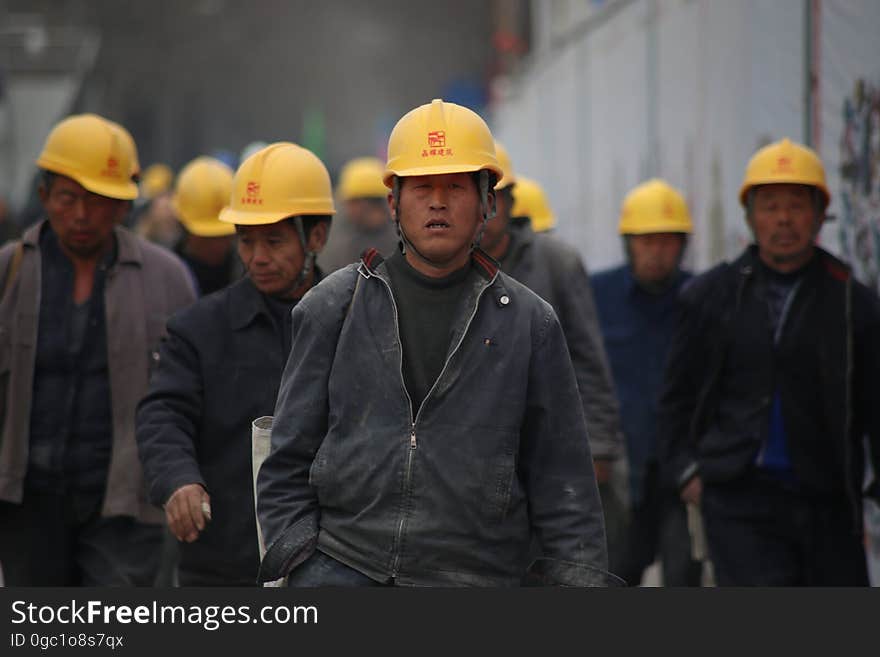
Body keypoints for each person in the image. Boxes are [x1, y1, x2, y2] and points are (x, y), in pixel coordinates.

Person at [256, 99, 618, 587]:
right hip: (345, 566)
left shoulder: (529, 324)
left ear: (488, 201)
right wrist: (301, 560)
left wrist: (577, 581)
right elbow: (287, 456)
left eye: (456, 187)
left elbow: (564, 483)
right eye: (422, 187)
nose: (438, 202)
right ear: (393, 203)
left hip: (477, 578)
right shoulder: (335, 306)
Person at [658, 138, 880, 586]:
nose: (783, 219)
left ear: (819, 216)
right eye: (770, 206)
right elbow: (676, 398)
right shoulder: (711, 297)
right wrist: (686, 471)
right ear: (750, 218)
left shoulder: (852, 304)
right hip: (738, 500)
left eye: (797, 206)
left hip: (826, 501)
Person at [0, 113, 196, 586]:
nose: (83, 215)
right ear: (45, 196)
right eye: (69, 198)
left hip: (125, 508)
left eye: (99, 200)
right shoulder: (9, 273)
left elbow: (189, 394)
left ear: (123, 206)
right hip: (27, 503)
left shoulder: (166, 280)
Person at [137, 143, 333, 586]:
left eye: (274, 240)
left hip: (332, 564)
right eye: (246, 241)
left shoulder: (358, 320)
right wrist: (178, 479)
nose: (257, 257)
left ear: (317, 236)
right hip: (223, 563)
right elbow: (163, 412)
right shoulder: (200, 330)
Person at [480, 142, 626, 566]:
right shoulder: (451, 271)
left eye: (494, 201)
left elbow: (588, 357)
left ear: (505, 202)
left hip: (551, 448)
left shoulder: (555, 263)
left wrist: (598, 447)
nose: (486, 216)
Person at [592, 179, 702, 586]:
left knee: (681, 575)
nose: (657, 252)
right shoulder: (596, 295)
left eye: (667, 241)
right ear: (628, 243)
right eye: (646, 241)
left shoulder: (703, 297)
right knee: (612, 575)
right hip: (618, 472)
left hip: (681, 472)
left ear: (682, 245)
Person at [170, 156, 243, 296]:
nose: (218, 245)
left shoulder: (251, 274)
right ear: (183, 226)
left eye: (224, 236)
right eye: (207, 237)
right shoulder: (162, 273)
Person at [320, 156, 397, 272]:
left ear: (366, 202)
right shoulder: (345, 240)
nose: (346, 208)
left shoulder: (399, 244)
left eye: (351, 202)